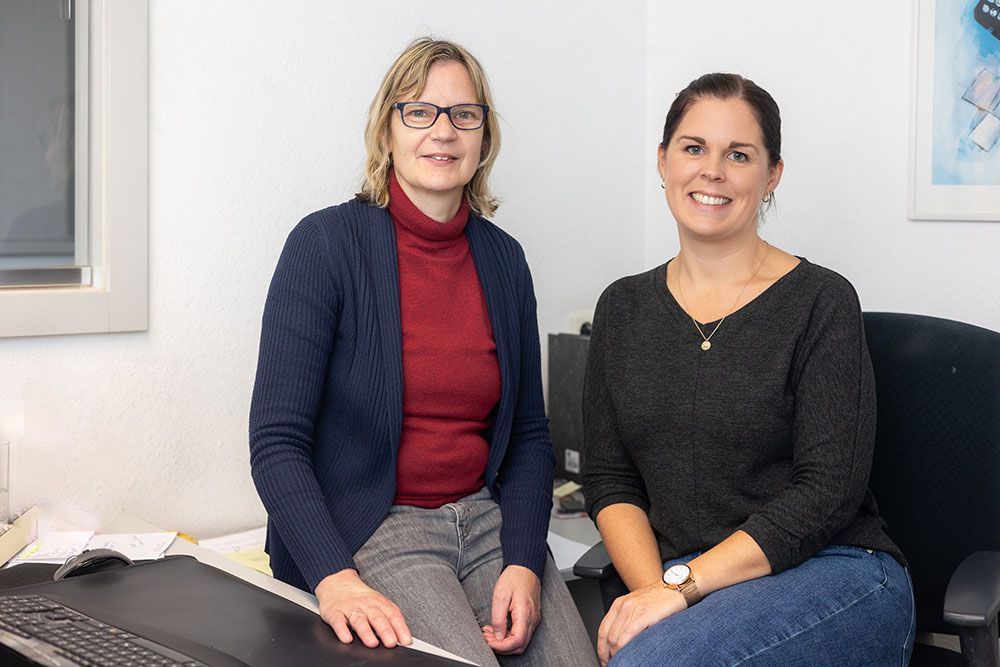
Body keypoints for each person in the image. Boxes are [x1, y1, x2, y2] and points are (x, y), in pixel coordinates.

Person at [249, 38, 596, 667]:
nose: (444, 131)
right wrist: (335, 579)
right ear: (387, 129)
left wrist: (523, 558)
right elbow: (276, 441)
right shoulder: (326, 245)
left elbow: (528, 436)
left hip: (486, 523)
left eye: (465, 114)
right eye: (420, 112)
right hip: (377, 528)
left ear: (484, 136)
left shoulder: (503, 260)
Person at [582, 73, 915, 666]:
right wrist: (656, 594)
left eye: (738, 155)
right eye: (693, 148)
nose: (712, 171)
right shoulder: (622, 308)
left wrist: (678, 592)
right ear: (663, 162)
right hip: (684, 579)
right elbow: (612, 480)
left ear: (772, 176)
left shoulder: (821, 301)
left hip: (833, 573)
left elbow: (827, 494)